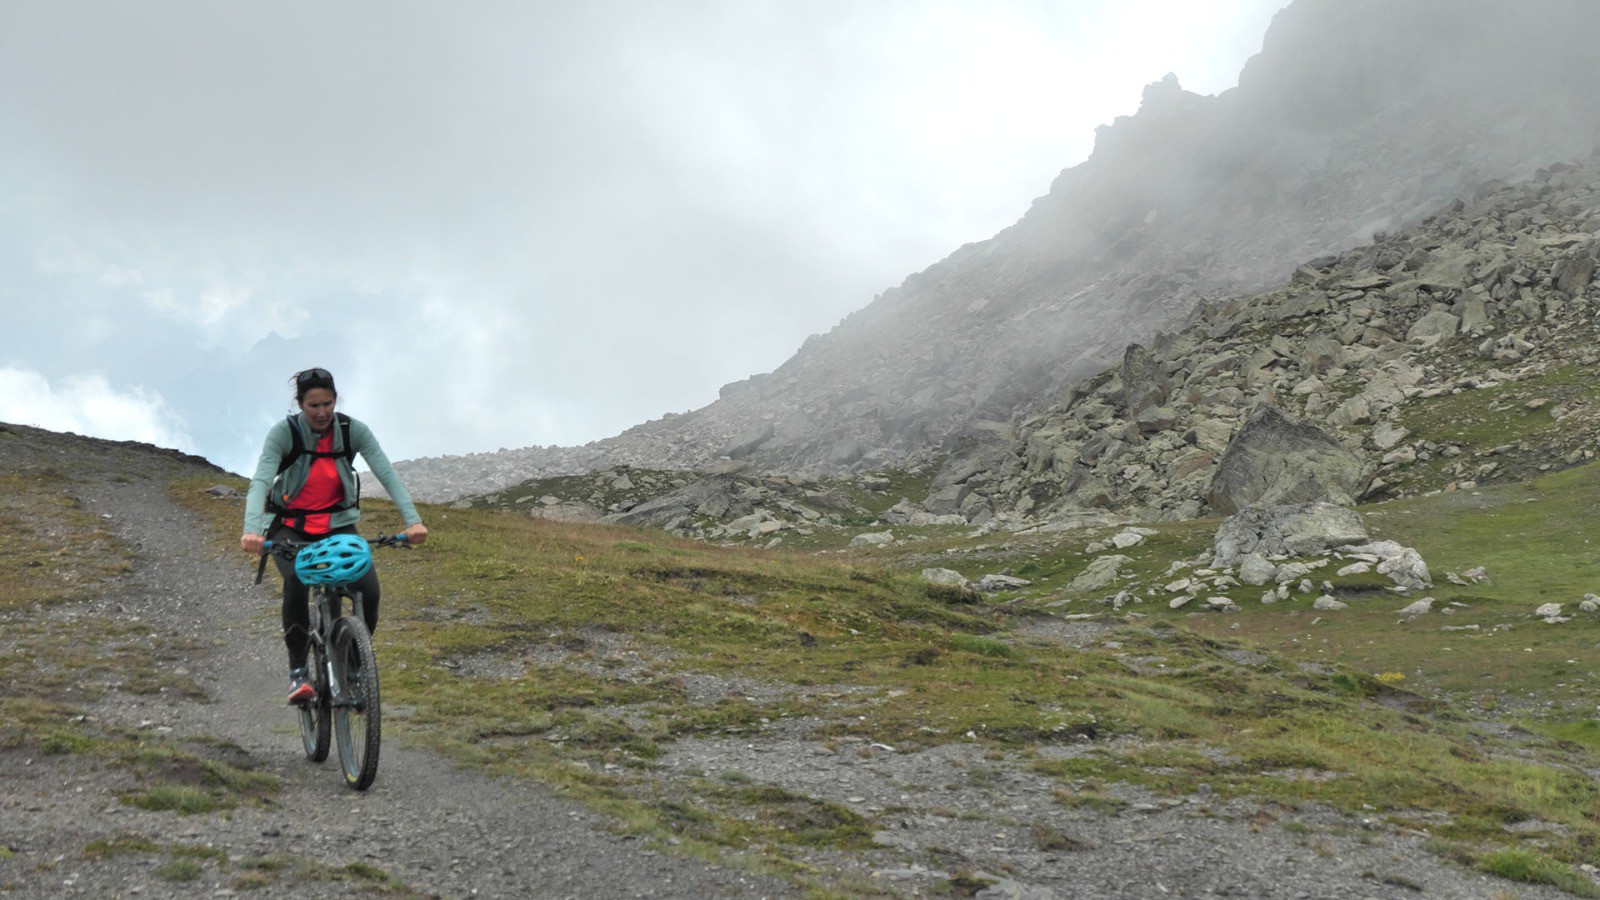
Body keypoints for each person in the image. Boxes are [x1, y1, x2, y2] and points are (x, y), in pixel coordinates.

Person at [241, 367, 428, 704]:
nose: (322, 412)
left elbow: (386, 472)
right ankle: (298, 674)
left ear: (335, 400)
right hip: (290, 527)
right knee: (296, 584)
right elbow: (261, 481)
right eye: (313, 405)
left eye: (327, 403)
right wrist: (252, 530)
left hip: (338, 526)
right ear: (300, 404)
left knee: (368, 591)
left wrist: (412, 521)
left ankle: (356, 668)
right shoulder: (283, 434)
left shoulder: (352, 430)